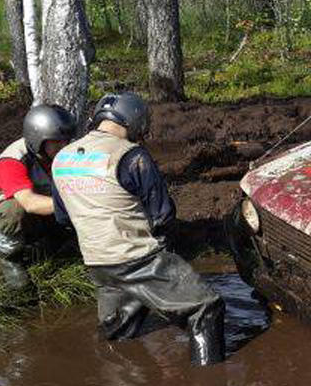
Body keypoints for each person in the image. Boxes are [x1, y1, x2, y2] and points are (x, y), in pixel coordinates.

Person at [51, 92, 226, 366]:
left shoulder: (61, 158)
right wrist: (165, 254)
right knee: (205, 308)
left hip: (97, 262)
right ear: (136, 122)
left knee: (119, 333)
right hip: (137, 257)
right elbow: (163, 215)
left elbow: (63, 217)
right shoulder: (132, 156)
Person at [0, 104, 77, 290]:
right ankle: (11, 259)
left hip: (43, 210)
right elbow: (29, 203)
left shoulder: (58, 156)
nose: (63, 147)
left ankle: (53, 241)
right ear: (37, 140)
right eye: (56, 142)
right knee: (14, 209)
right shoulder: (12, 162)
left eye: (65, 141)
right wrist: (77, 205)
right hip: (0, 220)